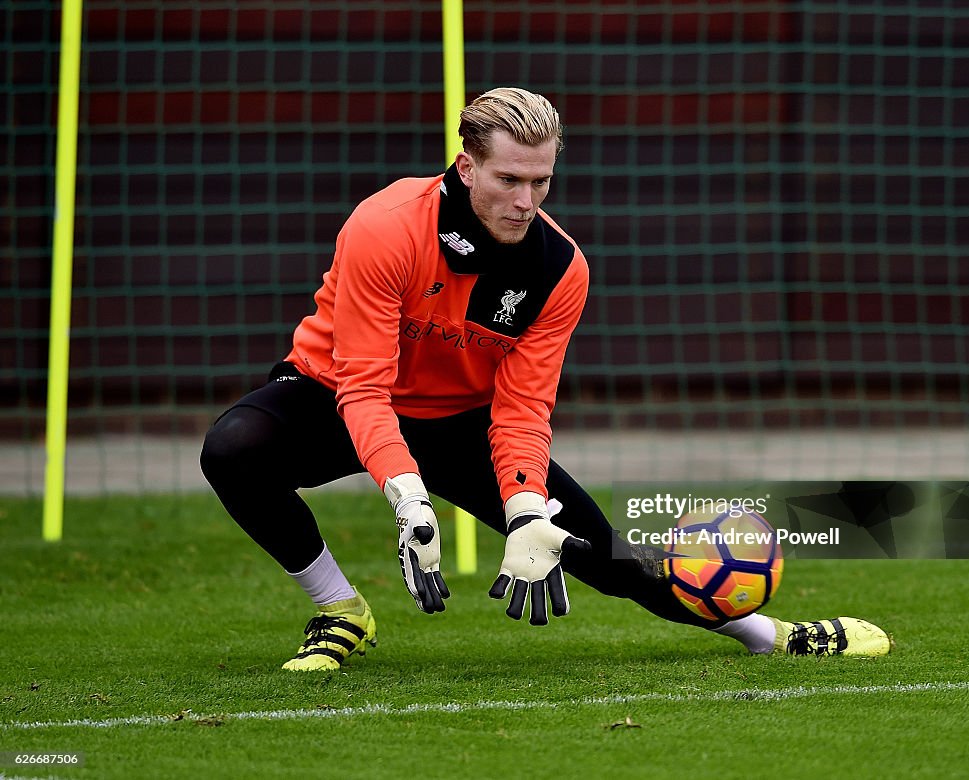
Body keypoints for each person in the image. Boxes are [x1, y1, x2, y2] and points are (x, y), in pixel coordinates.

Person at [200, 87, 890, 671]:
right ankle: (340, 609)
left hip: (457, 422)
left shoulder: (561, 268)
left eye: (541, 181)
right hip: (333, 395)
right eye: (509, 180)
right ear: (467, 168)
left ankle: (771, 636)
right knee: (235, 449)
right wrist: (408, 499)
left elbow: (524, 407)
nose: (526, 200)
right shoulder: (384, 228)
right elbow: (363, 387)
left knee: (606, 559)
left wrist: (527, 510)